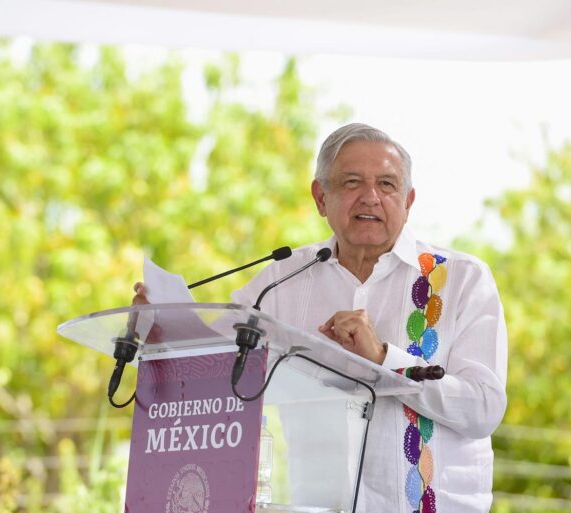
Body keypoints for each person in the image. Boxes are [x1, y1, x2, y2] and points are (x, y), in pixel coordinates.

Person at [134, 123, 507, 513]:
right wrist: (163, 336)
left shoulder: (460, 280)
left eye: (387, 184)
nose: (371, 197)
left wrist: (384, 358)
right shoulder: (282, 278)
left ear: (409, 200)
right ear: (320, 196)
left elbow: (483, 408)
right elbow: (213, 367)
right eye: (351, 183)